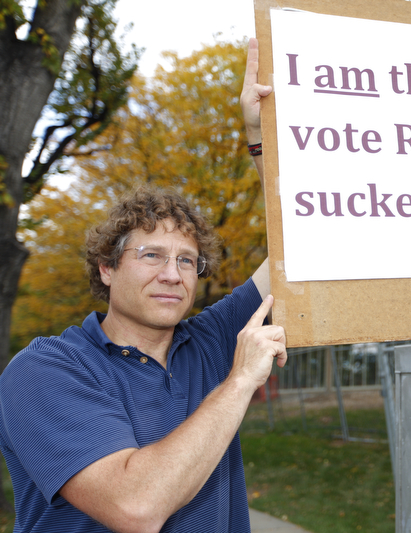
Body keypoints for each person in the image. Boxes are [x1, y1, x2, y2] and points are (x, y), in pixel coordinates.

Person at [0, 38, 279, 533]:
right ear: (107, 268)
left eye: (188, 261)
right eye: (151, 255)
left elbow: (301, 251)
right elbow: (135, 507)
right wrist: (240, 381)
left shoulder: (210, 341)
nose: (172, 274)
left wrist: (261, 140)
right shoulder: (42, 371)